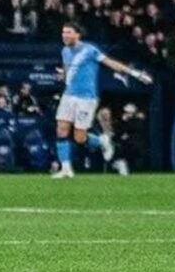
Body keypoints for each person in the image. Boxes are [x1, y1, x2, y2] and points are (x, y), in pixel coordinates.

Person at [53, 21, 152, 179]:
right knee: (61, 129)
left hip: (87, 98)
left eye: (68, 32)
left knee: (79, 137)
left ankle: (101, 141)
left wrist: (135, 74)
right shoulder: (65, 51)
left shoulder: (89, 50)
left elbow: (111, 63)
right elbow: (68, 72)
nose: (65, 35)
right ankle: (66, 169)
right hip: (69, 95)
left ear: (77, 35)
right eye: (63, 32)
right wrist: (62, 75)